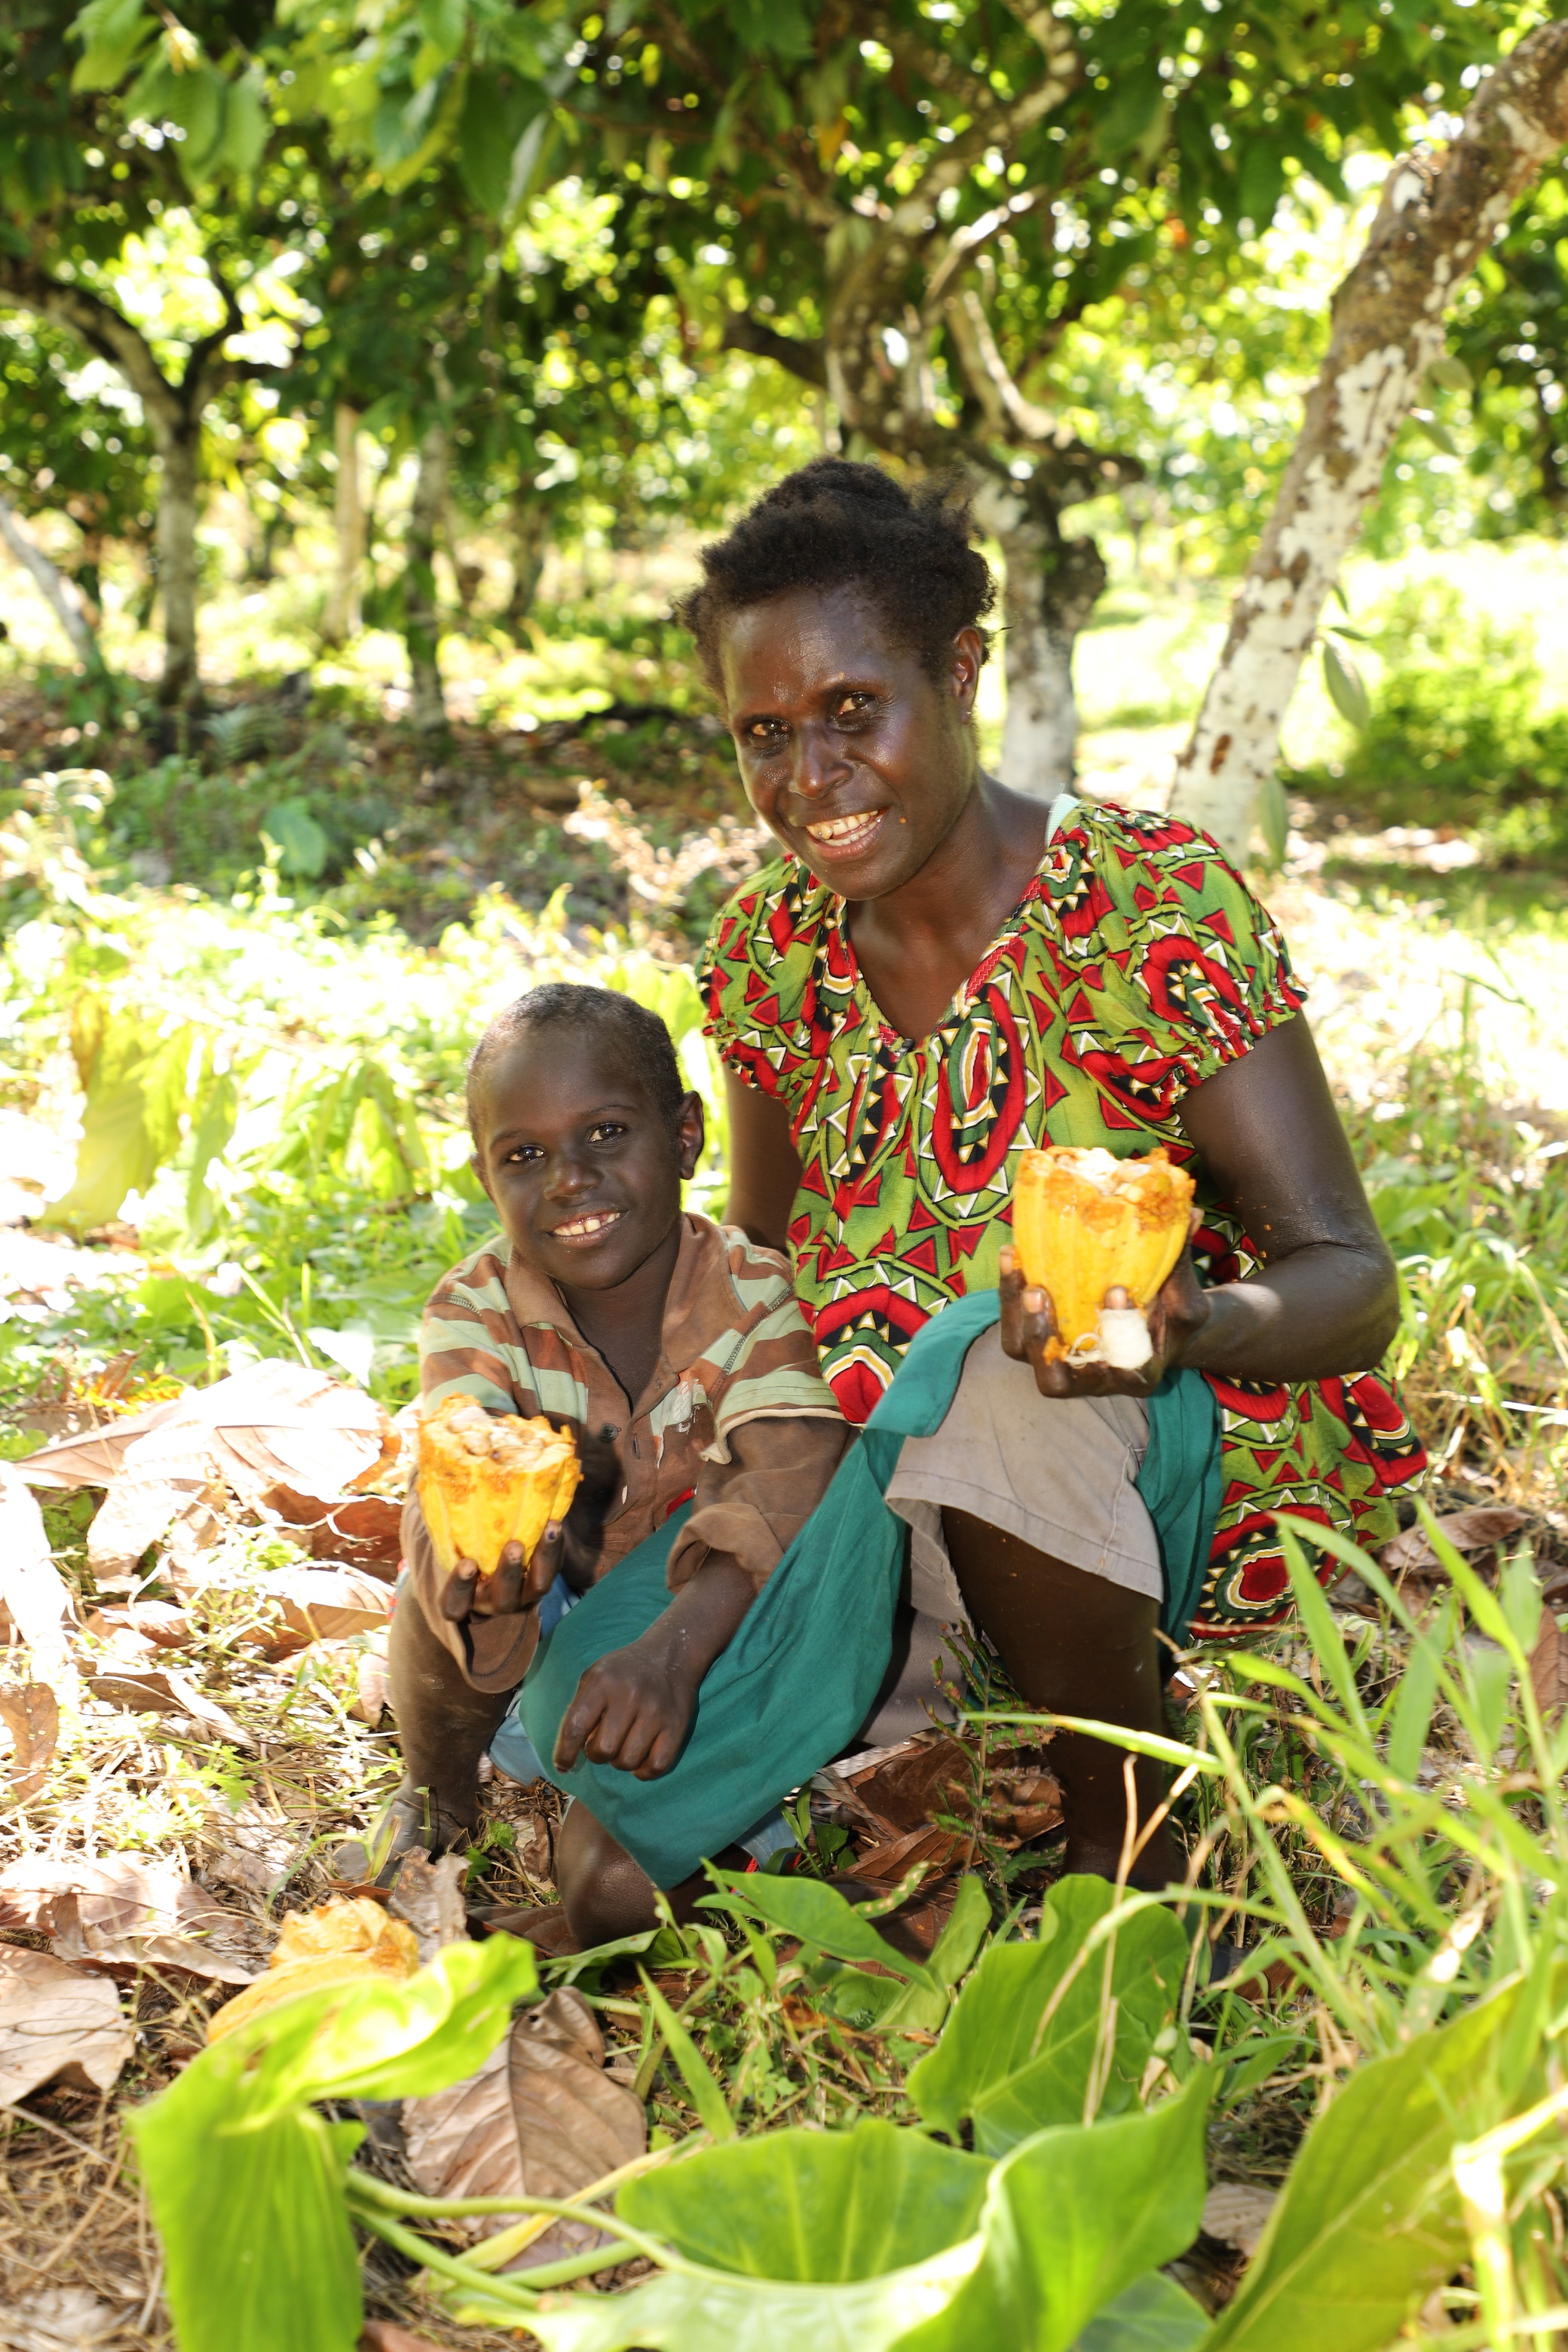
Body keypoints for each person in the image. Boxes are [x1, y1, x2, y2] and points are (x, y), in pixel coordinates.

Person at [688, 458, 1426, 1886]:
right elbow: (761, 1258)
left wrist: (1193, 1323)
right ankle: (880, 1690)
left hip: (1158, 1485)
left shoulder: (1148, 906)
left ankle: (1125, 1854)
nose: (811, 778)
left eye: (854, 711)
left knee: (996, 1366)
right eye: (763, 732)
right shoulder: (770, 956)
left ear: (960, 672)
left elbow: (1352, 1279)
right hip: (893, 1487)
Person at [357, 982, 864, 1945]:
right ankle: (441, 1796)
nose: (569, 1180)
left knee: (677, 1856)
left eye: (604, 1135)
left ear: (684, 1137)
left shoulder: (751, 1290)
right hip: (533, 1646)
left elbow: (793, 1480)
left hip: (688, 1638)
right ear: (484, 1176)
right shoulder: (478, 1306)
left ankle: (706, 1849)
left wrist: (671, 1653)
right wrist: (490, 1579)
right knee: (439, 1533)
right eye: (525, 1156)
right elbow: (464, 1442)